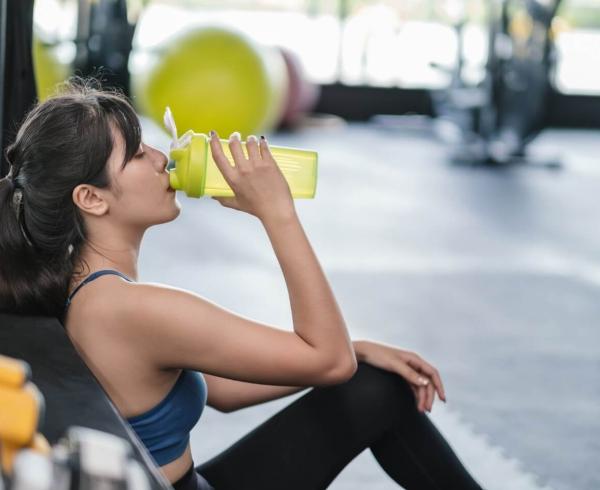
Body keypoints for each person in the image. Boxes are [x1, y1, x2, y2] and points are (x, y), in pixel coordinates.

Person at [0, 77, 484, 490]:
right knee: (376, 388)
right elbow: (331, 361)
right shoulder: (128, 307)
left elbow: (221, 389)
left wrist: (356, 350)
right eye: (137, 153)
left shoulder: (86, 290)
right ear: (92, 198)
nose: (161, 158)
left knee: (374, 384)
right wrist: (276, 212)